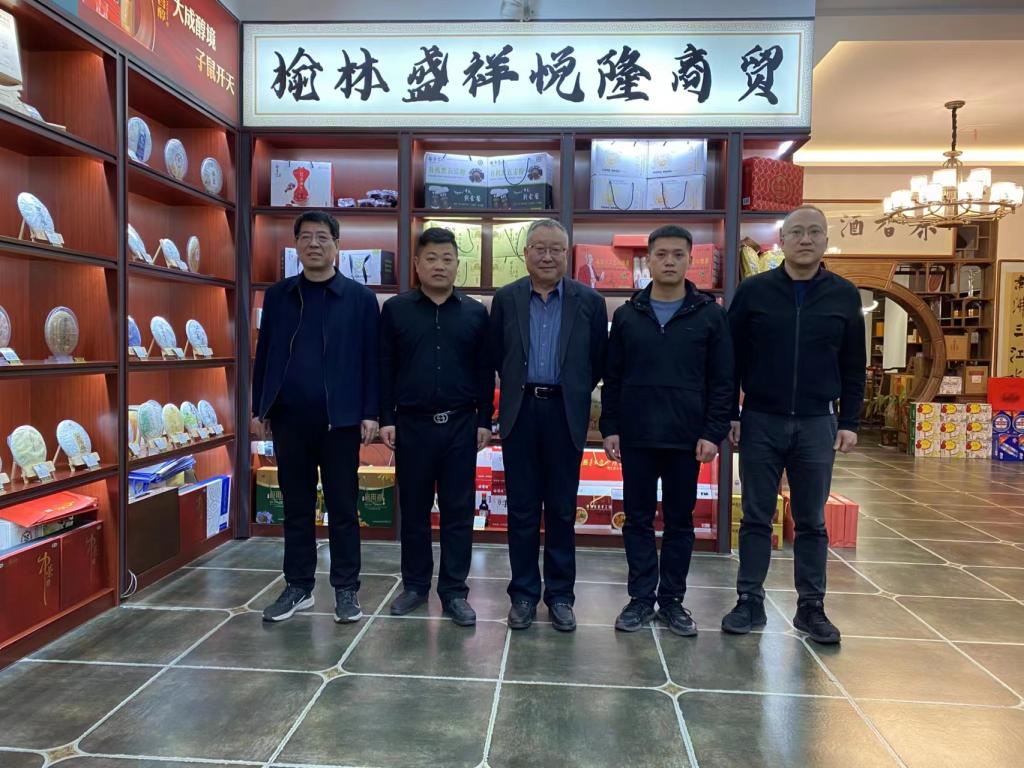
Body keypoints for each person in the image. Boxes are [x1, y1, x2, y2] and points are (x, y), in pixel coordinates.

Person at [722, 205, 866, 645]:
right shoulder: (754, 291)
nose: (806, 239)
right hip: (760, 420)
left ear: (826, 241)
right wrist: (731, 413)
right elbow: (730, 359)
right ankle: (749, 600)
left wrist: (850, 420)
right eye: (797, 232)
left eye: (814, 232)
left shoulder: (843, 295)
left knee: (811, 520)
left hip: (817, 422)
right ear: (782, 241)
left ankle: (811, 607)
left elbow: (854, 364)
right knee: (756, 517)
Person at [601, 225, 733, 636]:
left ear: (690, 260)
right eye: (661, 254)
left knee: (680, 522)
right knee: (637, 520)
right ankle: (641, 598)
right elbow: (613, 377)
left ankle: (672, 600)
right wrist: (610, 426)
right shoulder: (628, 315)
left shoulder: (710, 315)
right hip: (637, 436)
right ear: (649, 260)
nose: (670, 261)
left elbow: (723, 381)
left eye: (678, 254)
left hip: (686, 439)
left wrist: (712, 432)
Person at [252, 211, 380, 624]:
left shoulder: (360, 299)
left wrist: (371, 412)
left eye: (322, 237)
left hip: (340, 421)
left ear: (337, 245)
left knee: (343, 507)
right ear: (296, 246)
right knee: (297, 506)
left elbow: (372, 360)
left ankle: (346, 589)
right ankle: (298, 586)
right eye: (305, 237)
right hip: (289, 419)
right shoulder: (279, 296)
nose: (313, 244)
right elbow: (265, 353)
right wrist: (260, 407)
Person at [489, 218, 608, 632]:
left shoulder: (589, 301)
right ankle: (523, 594)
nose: (547, 256)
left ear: (567, 254)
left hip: (564, 412)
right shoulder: (506, 299)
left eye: (556, 249)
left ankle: (560, 596)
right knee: (521, 509)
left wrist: (571, 390)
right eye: (539, 248)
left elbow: (596, 361)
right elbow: (496, 355)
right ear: (525, 254)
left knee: (561, 509)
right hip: (520, 412)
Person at [379, 228, 494, 626]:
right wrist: (386, 418)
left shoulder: (475, 313)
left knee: (458, 511)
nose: (439, 266)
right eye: (431, 258)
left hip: (461, 424)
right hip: (411, 425)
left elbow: (485, 371)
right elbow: (384, 368)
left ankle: (454, 591)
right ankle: (414, 586)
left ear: (458, 264)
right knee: (413, 509)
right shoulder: (396, 310)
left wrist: (484, 419)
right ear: (417, 264)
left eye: (447, 259)